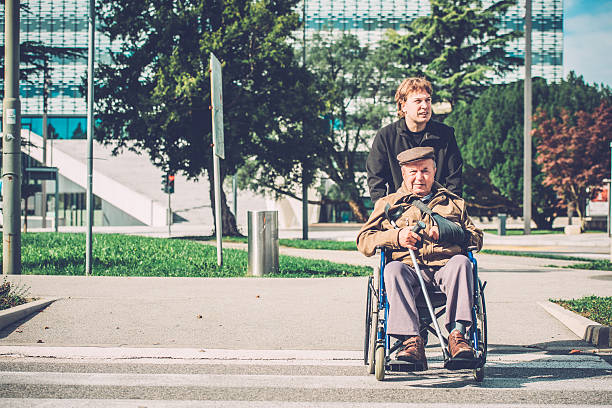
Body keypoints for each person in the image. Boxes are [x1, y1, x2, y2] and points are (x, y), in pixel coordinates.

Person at [357, 146, 483, 370]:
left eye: (424, 171)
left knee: (462, 263)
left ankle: (458, 338)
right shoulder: (388, 205)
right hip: (409, 273)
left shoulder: (453, 203)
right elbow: (364, 240)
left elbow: (476, 238)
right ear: (403, 173)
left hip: (446, 270)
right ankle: (411, 343)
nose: (419, 177)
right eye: (413, 172)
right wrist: (396, 236)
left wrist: (447, 232)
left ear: (434, 171)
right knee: (392, 270)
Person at [366, 77, 463, 204]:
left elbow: (454, 179)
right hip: (399, 210)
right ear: (403, 105)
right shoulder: (386, 136)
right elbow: (376, 180)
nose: (425, 106)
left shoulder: (446, 135)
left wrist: (449, 210)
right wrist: (386, 212)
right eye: (418, 101)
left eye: (427, 100)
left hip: (438, 210)